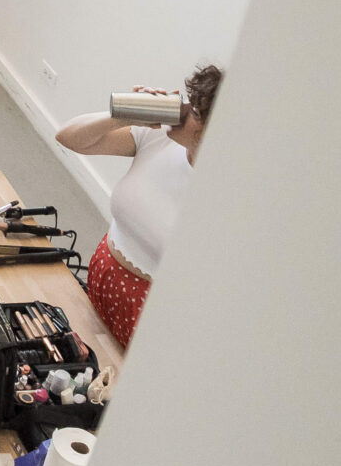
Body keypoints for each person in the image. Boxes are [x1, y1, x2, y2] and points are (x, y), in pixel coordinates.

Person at [53, 63, 222, 349]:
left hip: (147, 319)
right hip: (100, 281)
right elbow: (69, 137)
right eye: (188, 102)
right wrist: (121, 116)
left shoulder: (221, 197)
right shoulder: (159, 138)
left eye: (193, 112)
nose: (180, 110)